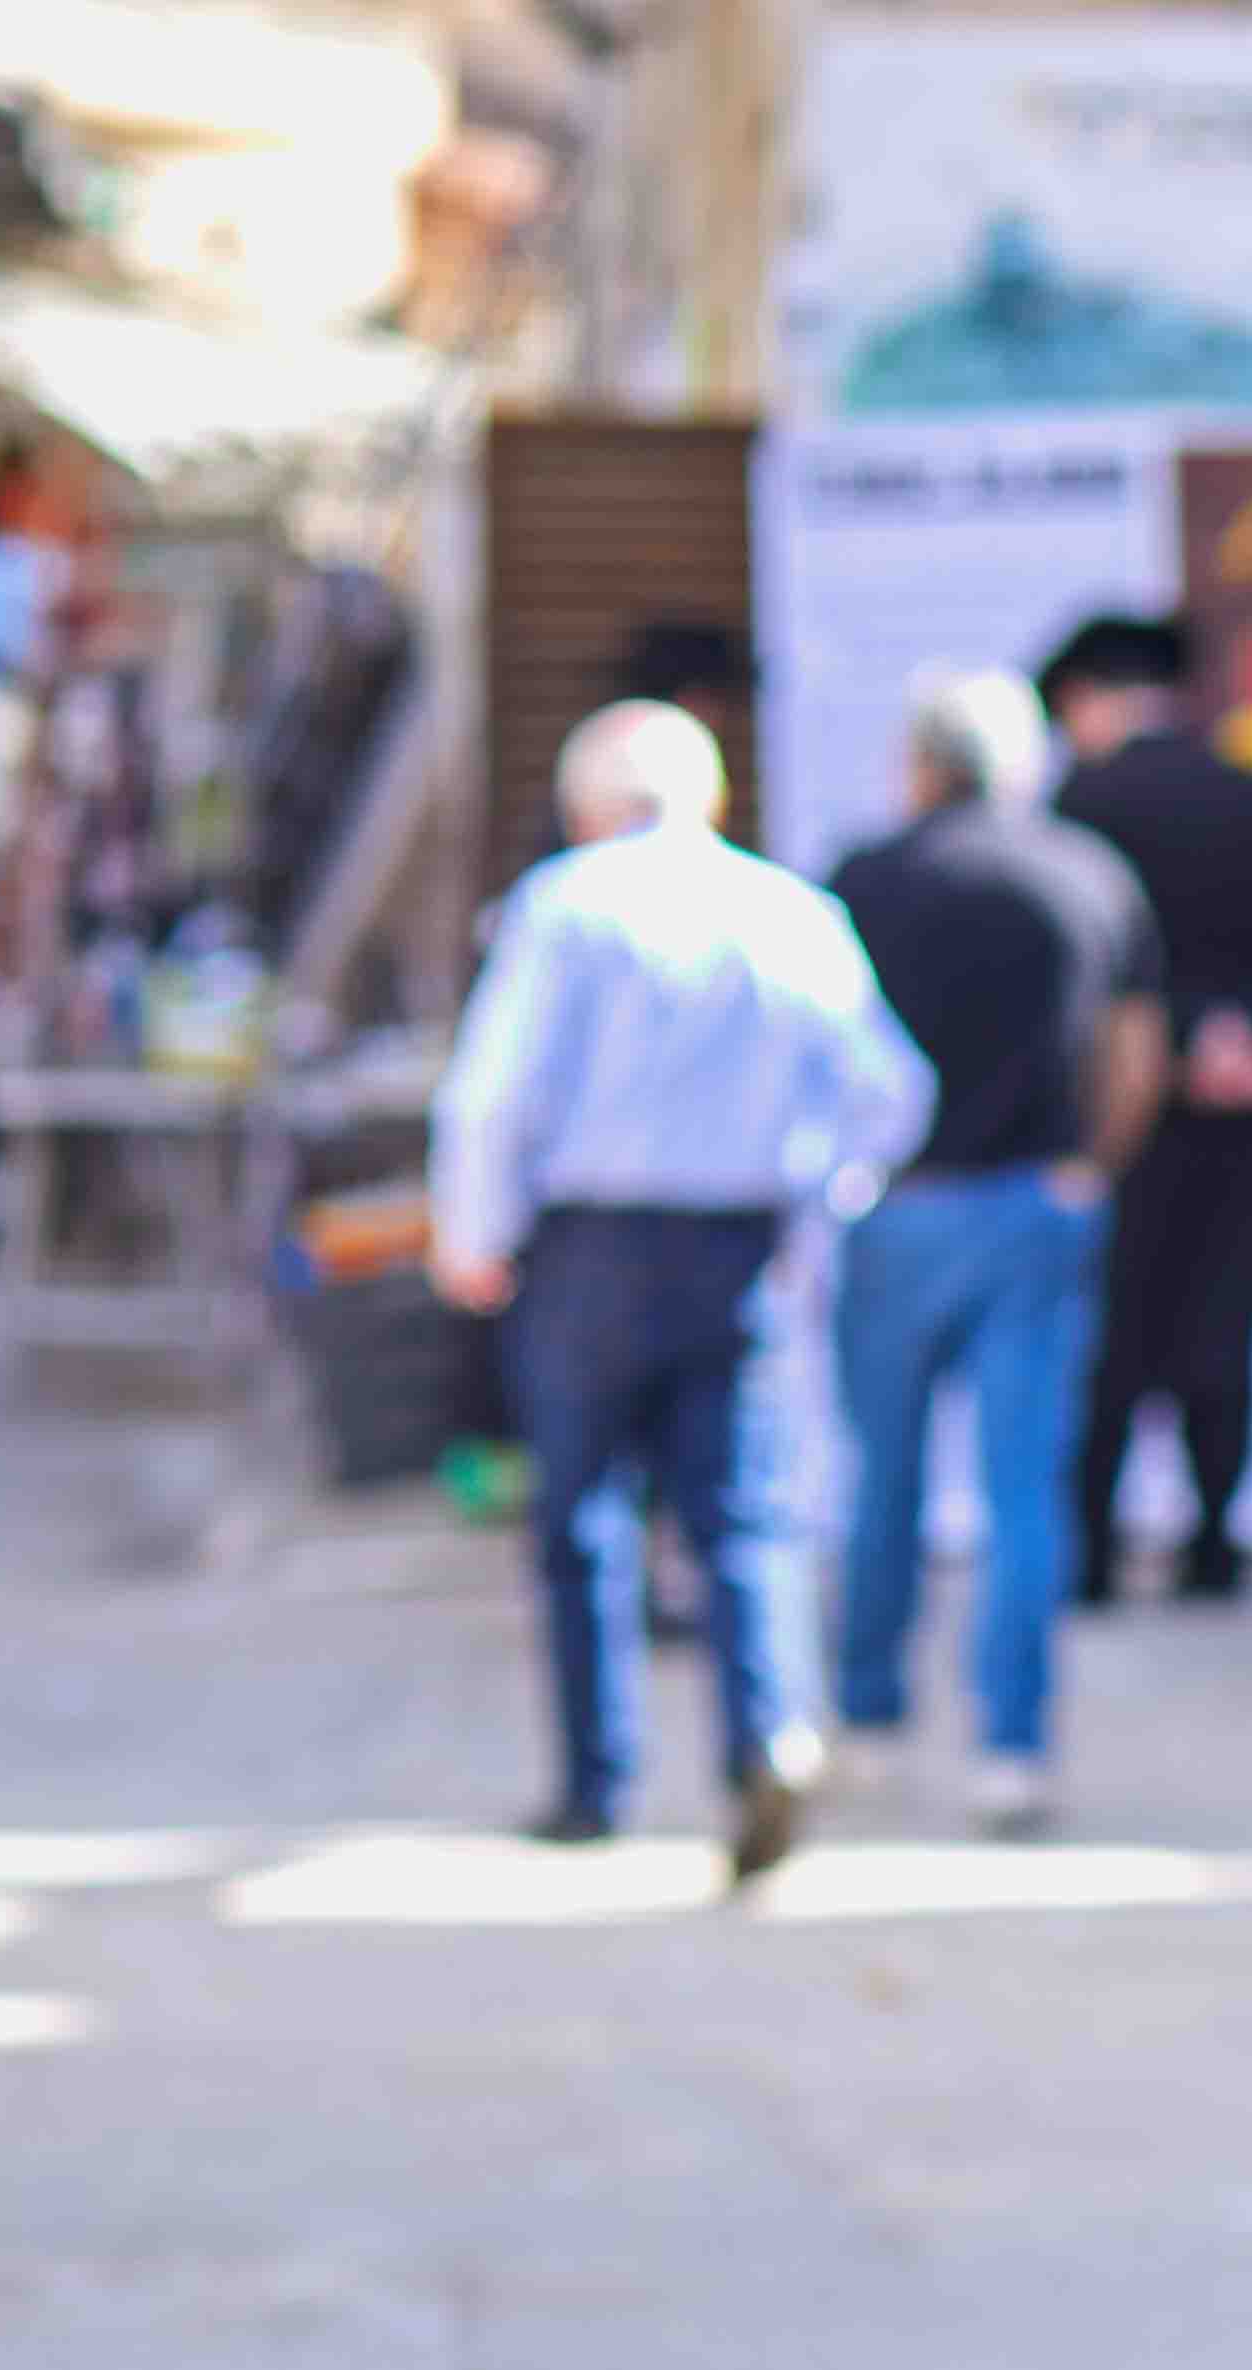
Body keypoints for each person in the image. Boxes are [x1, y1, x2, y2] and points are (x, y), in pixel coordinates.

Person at [430, 701, 931, 1885]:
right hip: (736, 1244)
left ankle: (597, 1785)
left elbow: (492, 1095)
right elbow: (888, 1091)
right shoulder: (786, 911)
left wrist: (473, 1236)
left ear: (587, 805)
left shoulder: (566, 906)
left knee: (583, 1512)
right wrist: (817, 1194)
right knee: (742, 1512)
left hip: (589, 1246)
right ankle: (768, 1734)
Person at [824, 663, 1160, 1838]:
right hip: (1031, 1207)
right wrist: (1094, 1166)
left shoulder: (865, 879)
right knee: (1025, 1496)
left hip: (902, 1208)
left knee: (887, 1484)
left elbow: (826, 1051)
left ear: (920, 766)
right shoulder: (1086, 873)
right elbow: (1135, 1049)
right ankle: (1010, 1750)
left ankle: (868, 1722)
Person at [1038, 611, 1252, 1606]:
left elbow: (1094, 952)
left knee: (1111, 1333)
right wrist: (1242, 1032)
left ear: (1085, 700)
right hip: (1235, 1107)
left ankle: (1093, 1557)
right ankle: (1213, 1547)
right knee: (1222, 1324)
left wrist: (1184, 1031)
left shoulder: (1080, 799)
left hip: (1118, 1121)